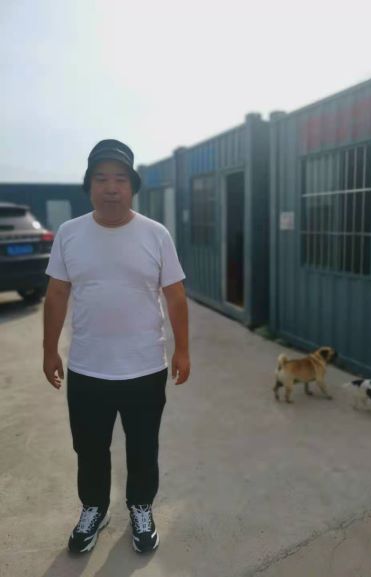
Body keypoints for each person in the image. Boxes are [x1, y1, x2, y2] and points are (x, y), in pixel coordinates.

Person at [43, 139, 190, 554]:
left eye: (120, 179)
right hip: (88, 367)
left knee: (144, 446)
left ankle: (140, 506)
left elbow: (175, 295)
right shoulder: (70, 234)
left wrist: (182, 350)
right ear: (89, 186)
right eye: (101, 179)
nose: (111, 188)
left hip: (145, 367)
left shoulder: (155, 234)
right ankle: (94, 508)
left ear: (132, 187)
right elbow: (56, 294)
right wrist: (49, 350)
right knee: (89, 447)